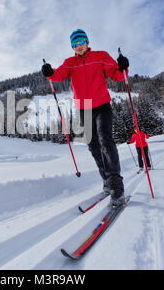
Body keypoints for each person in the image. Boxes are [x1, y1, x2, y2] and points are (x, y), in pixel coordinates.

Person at [41, 29, 129, 207]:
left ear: (87, 42)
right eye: (75, 44)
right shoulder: (70, 62)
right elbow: (58, 76)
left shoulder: (100, 56)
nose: (79, 46)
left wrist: (123, 66)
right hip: (84, 107)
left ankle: (116, 187)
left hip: (102, 104)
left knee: (106, 141)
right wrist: (49, 71)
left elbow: (117, 75)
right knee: (93, 145)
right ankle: (106, 179)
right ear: (72, 47)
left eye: (81, 42)